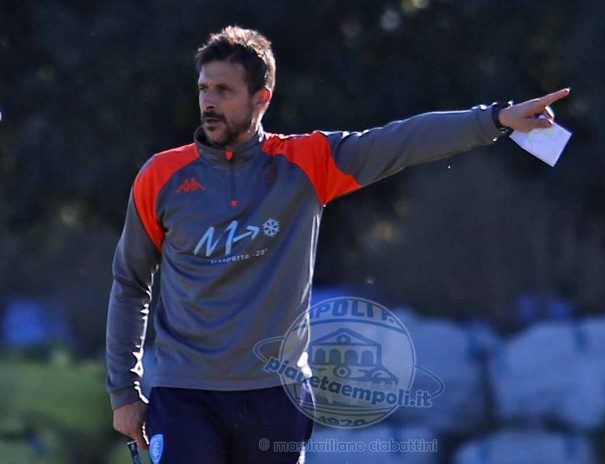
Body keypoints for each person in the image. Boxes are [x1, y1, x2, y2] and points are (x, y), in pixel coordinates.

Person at [106, 25, 569, 464]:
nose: (209, 102)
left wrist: (495, 119)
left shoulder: (306, 164)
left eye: (224, 91)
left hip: (277, 394)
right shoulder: (160, 176)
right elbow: (130, 283)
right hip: (184, 394)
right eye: (204, 89)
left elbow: (401, 141)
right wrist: (124, 392)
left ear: (261, 99)